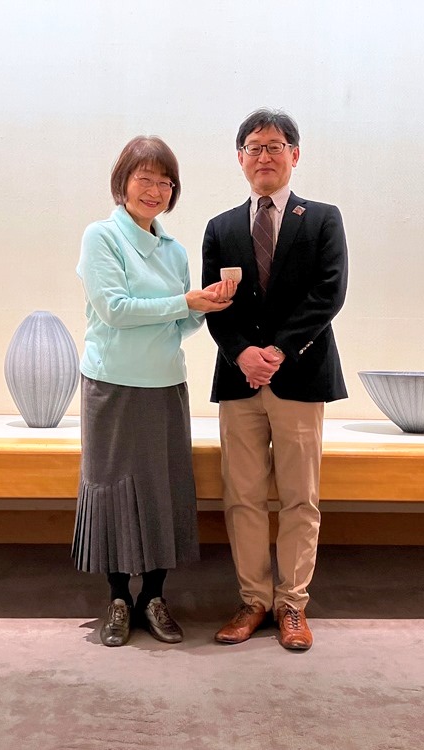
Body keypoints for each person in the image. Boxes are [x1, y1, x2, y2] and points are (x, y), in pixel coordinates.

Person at [73, 136, 236, 647]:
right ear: (122, 183)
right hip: (112, 386)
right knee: (114, 490)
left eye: (165, 182)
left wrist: (203, 307)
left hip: (166, 385)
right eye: (145, 179)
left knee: (164, 489)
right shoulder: (102, 237)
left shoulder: (174, 250)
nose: (155, 190)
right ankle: (118, 599)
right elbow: (115, 310)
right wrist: (184, 302)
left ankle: (154, 597)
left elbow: (177, 326)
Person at [202, 109, 348, 651]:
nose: (264, 156)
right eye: (254, 147)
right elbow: (215, 304)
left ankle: (292, 604)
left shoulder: (323, 219)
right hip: (239, 379)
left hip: (300, 376)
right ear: (240, 158)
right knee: (241, 496)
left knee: (299, 498)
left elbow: (329, 293)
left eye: (275, 146)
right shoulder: (220, 228)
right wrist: (242, 353)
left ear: (295, 154)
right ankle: (253, 601)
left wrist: (280, 351)